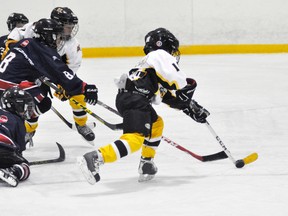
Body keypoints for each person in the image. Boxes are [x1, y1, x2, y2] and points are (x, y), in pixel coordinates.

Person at [77, 28, 210, 184]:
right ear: (162, 45)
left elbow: (166, 96)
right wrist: (188, 88)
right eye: (172, 49)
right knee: (135, 138)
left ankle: (146, 162)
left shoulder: (150, 64)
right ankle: (96, 157)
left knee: (156, 124)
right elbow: (178, 81)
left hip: (130, 97)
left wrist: (188, 107)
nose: (173, 54)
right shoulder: (159, 55)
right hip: (136, 99)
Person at [0, 18, 98, 146]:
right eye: (57, 36)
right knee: (32, 103)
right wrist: (84, 87)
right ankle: (13, 141)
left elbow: (30, 66)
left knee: (42, 102)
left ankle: (18, 134)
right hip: (10, 89)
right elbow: (59, 70)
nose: (59, 39)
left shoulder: (27, 42)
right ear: (48, 36)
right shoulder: (42, 49)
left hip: (8, 84)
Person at [0, 86, 35, 187]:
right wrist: (19, 160)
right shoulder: (18, 120)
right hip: (3, 149)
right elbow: (20, 148)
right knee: (24, 165)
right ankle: (13, 171)